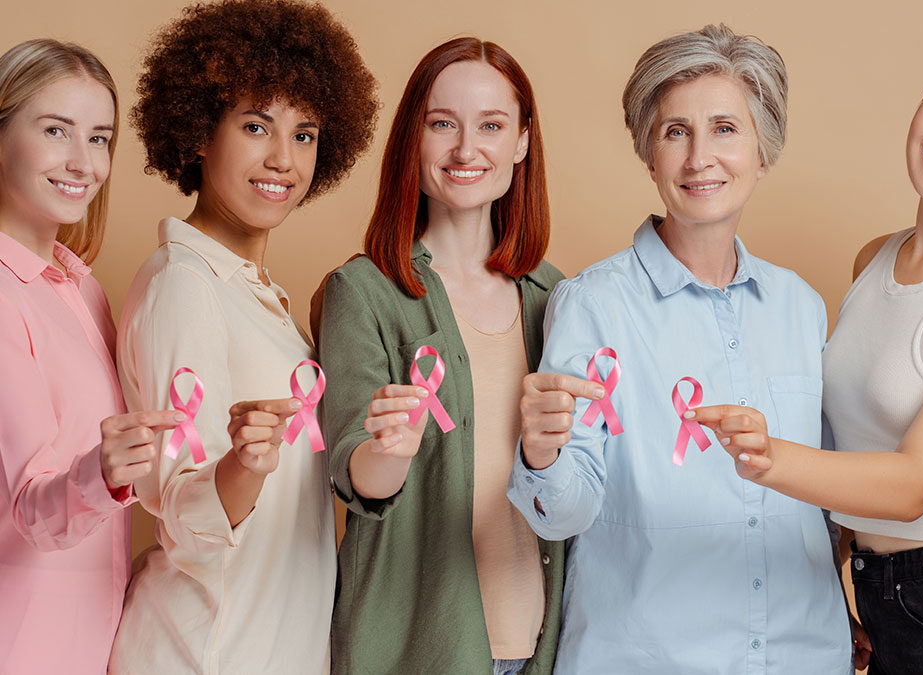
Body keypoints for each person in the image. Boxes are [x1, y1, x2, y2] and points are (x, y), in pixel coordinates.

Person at [508, 25, 851, 673]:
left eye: (725, 129)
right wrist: (542, 452)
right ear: (648, 153)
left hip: (806, 656)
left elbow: (827, 497)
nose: (700, 158)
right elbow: (562, 516)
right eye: (675, 132)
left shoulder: (801, 307)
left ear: (764, 151)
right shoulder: (593, 305)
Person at [106, 1, 377, 672]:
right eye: (256, 126)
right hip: (206, 653)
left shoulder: (250, 291)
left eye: (305, 134)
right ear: (200, 131)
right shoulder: (185, 285)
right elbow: (186, 514)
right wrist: (242, 465)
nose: (283, 159)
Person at [691, 45, 923, 674]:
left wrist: (767, 456)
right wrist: (832, 581)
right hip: (884, 589)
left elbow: (916, 483)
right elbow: (855, 442)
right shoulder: (874, 259)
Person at [314, 37, 563, 675]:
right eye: (442, 124)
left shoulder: (555, 297)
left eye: (491, 126)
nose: (465, 149)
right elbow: (354, 475)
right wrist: (388, 451)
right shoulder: (362, 292)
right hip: (413, 647)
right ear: (412, 139)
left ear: (523, 142)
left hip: (541, 645)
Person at [0, 39, 181, 674]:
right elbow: (32, 508)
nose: (84, 162)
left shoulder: (82, 287)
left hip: (94, 644)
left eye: (100, 138)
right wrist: (101, 474)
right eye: (56, 130)